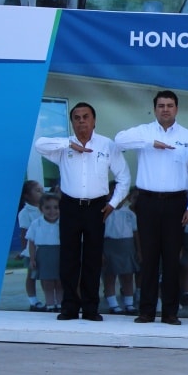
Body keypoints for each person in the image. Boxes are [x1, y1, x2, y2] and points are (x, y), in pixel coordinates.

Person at [115, 90, 188, 326]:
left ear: (177, 109)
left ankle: (170, 312)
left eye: (170, 105)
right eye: (161, 105)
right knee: (149, 259)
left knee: (172, 260)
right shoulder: (144, 132)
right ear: (155, 109)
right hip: (147, 203)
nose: (165, 109)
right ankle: (146, 311)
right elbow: (118, 140)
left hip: (176, 204)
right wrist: (149, 142)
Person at [35, 103, 129, 321]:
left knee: (92, 259)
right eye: (76, 118)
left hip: (97, 207)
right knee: (68, 257)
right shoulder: (62, 147)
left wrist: (113, 203)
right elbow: (39, 144)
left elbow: (124, 177)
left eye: (86, 117)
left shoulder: (107, 145)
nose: (81, 121)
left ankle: (90, 307)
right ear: (72, 122)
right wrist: (70, 143)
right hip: (69, 206)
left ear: (94, 120)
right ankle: (69, 306)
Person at [101, 183, 139, 315]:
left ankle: (129, 303)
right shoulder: (103, 212)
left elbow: (135, 233)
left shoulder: (130, 214)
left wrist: (138, 250)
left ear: (126, 197)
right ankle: (113, 304)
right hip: (109, 246)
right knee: (110, 276)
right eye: (112, 193)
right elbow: (98, 234)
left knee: (128, 275)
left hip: (127, 246)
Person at [26, 193, 62, 312]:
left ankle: (60, 304)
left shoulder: (64, 222)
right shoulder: (36, 223)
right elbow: (31, 242)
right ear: (41, 209)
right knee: (47, 282)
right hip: (44, 255)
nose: (52, 211)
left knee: (59, 282)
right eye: (47, 208)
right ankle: (50, 304)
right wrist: (32, 259)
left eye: (56, 207)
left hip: (60, 254)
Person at [18, 180, 46, 311]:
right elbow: (24, 233)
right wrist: (26, 251)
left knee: (47, 275)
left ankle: (51, 299)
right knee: (31, 275)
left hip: (46, 248)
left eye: (42, 190)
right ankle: (33, 301)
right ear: (27, 196)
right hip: (32, 249)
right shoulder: (25, 213)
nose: (42, 192)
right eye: (38, 190)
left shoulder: (46, 208)